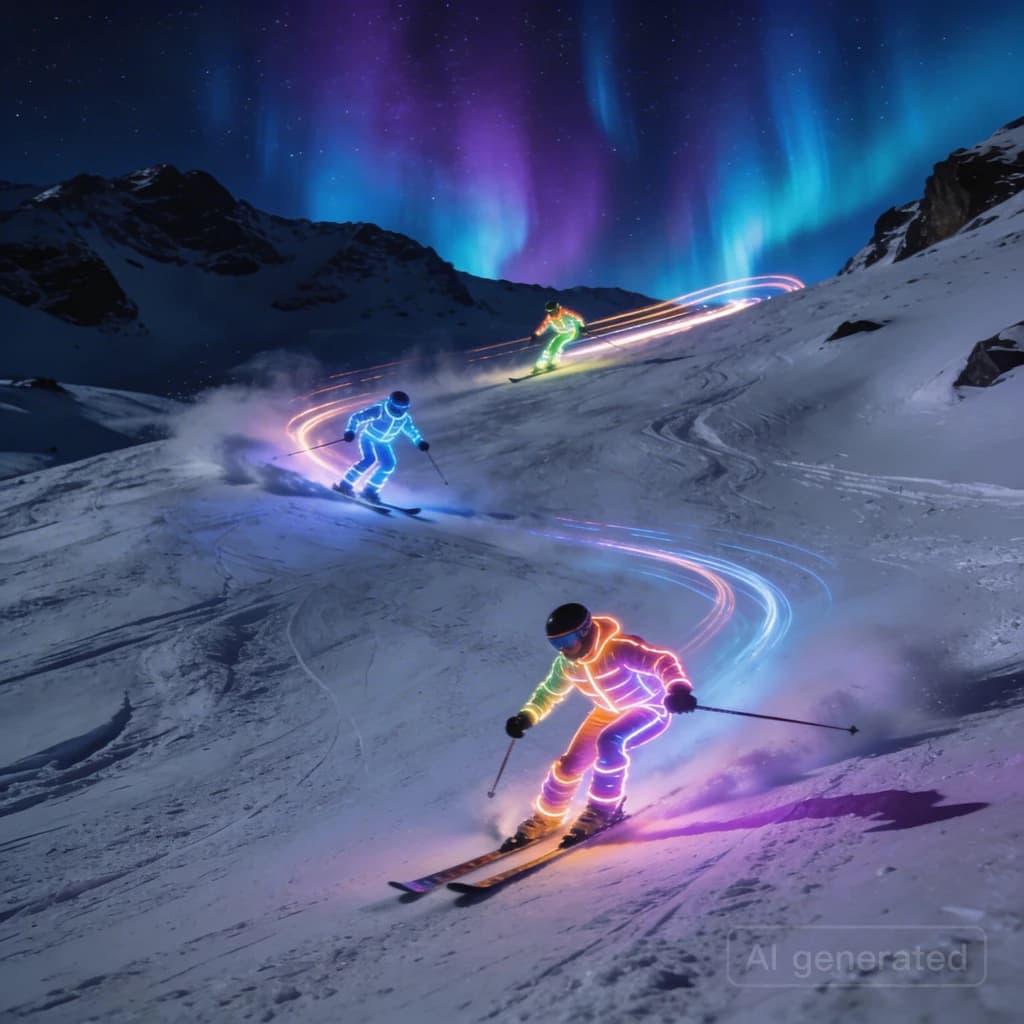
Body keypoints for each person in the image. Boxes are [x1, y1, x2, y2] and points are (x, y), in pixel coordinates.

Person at [502, 603, 697, 850]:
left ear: (584, 632)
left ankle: (603, 811)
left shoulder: (619, 648)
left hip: (650, 706)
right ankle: (547, 817)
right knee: (570, 764)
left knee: (610, 741)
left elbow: (662, 661)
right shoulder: (566, 664)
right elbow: (549, 692)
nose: (563, 649)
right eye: (555, 643)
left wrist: (677, 689)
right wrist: (526, 717)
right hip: (607, 711)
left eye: (567, 640)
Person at [332, 390, 429, 502]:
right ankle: (345, 485)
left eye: (404, 408)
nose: (400, 411)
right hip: (369, 439)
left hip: (383, 443)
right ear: (392, 404)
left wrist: (420, 442)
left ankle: (369, 491)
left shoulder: (404, 419)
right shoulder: (381, 410)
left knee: (389, 464)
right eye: (398, 407)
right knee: (369, 459)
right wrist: (350, 431)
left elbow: (411, 431)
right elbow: (357, 417)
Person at [529, 299, 587, 374]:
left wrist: (582, 327)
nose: (551, 313)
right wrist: (536, 334)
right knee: (552, 346)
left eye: (553, 311)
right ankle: (546, 364)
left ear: (557, 308)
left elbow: (579, 318)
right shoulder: (549, 317)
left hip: (571, 332)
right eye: (549, 311)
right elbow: (543, 326)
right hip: (562, 333)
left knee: (556, 345)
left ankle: (546, 364)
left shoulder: (566, 312)